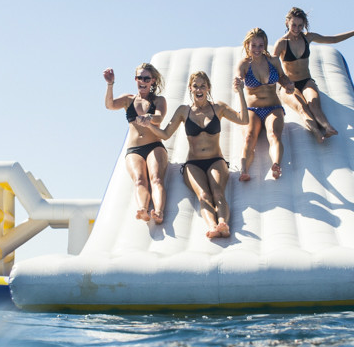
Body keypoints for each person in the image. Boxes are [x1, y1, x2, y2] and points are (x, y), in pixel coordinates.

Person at [145, 72, 250, 238]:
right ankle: (213, 226)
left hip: (216, 160)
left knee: (218, 193)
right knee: (203, 195)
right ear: (190, 88)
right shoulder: (183, 111)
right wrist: (148, 125)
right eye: (195, 86)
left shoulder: (218, 108)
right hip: (193, 164)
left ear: (208, 88)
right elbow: (165, 134)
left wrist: (241, 92)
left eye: (202, 86)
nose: (199, 89)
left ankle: (223, 224)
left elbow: (244, 120)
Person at [273, 7, 354, 140]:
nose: (297, 28)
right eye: (294, 25)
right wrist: (284, 84)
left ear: (304, 25)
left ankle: (328, 127)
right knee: (302, 107)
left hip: (306, 81)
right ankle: (317, 132)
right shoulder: (281, 43)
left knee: (313, 104)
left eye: (300, 26)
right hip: (289, 84)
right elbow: (272, 66)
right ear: (287, 23)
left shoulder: (308, 37)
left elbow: (333, 39)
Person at [104, 63, 169, 224]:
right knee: (140, 179)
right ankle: (143, 209)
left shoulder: (159, 100)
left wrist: (149, 118)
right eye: (139, 77)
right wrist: (110, 84)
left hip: (154, 146)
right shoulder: (128, 99)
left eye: (146, 78)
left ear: (153, 81)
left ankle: (159, 212)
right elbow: (109, 105)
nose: (142, 81)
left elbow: (160, 117)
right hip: (134, 149)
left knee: (156, 179)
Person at [236, 27, 296, 181]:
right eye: (254, 45)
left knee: (274, 135)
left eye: (260, 45)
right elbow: (238, 80)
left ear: (265, 45)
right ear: (248, 45)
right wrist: (237, 83)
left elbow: (282, 77)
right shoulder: (244, 64)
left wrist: (288, 84)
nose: (257, 49)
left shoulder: (273, 61)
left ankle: (276, 164)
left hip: (273, 107)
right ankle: (244, 170)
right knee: (249, 137)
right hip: (252, 109)